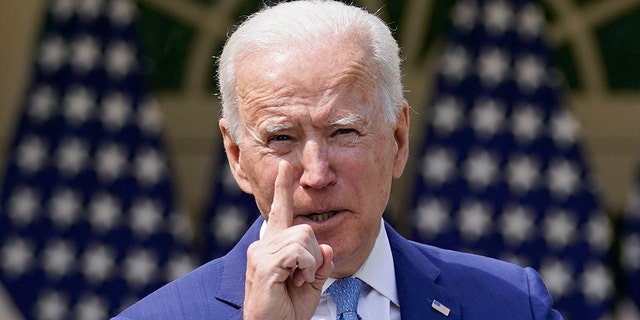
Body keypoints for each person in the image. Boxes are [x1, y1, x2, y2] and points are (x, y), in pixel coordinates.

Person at [112, 1, 563, 319]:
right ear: (236, 157)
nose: (316, 173)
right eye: (282, 137)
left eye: (343, 132)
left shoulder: (511, 304)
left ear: (399, 139)